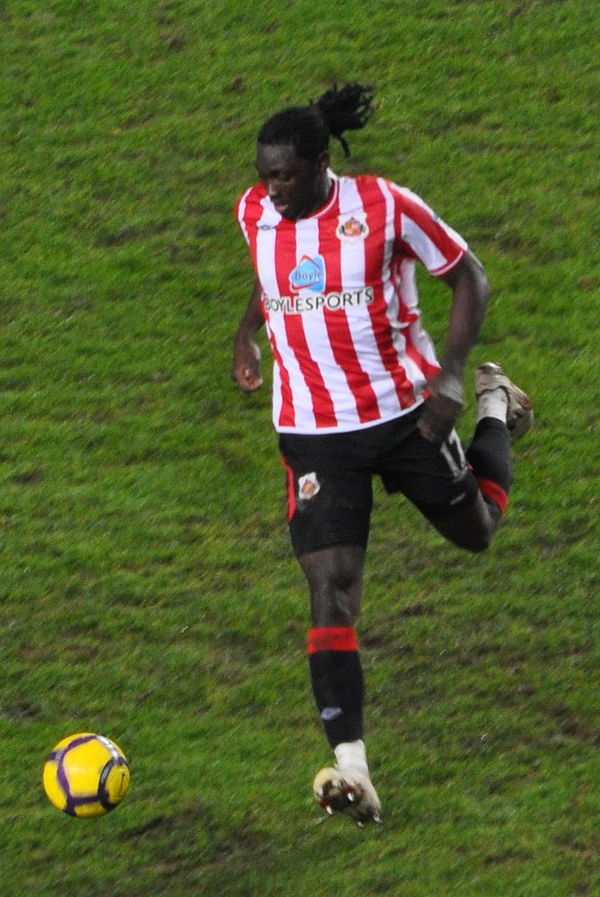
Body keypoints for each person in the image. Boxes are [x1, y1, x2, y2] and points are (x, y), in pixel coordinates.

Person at [231, 83, 533, 825]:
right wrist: (247, 332)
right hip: (311, 432)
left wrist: (454, 378)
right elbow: (272, 278)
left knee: (477, 531)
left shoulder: (385, 207)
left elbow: (470, 276)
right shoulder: (255, 212)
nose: (273, 190)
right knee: (330, 585)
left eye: (286, 177)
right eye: (265, 176)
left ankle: (499, 406)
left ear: (320, 163)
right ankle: (352, 767)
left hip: (405, 416)